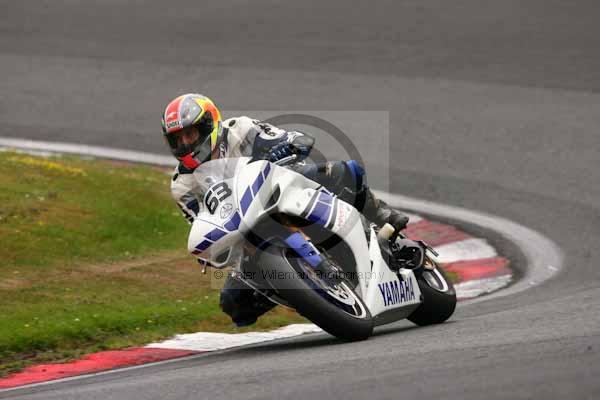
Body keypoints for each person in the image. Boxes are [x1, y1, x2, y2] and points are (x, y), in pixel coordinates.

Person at [162, 93, 409, 327]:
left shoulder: (241, 129)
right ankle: (307, 294)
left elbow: (292, 138)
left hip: (285, 190)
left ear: (208, 124)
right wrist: (211, 249)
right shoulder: (182, 186)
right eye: (177, 139)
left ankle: (381, 214)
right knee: (234, 303)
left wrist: (288, 145)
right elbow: (201, 222)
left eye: (190, 134)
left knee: (341, 171)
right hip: (245, 234)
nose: (185, 143)